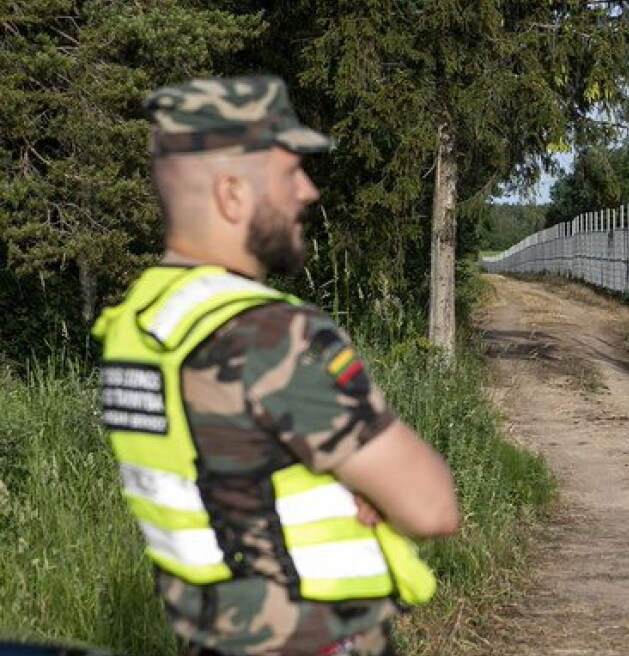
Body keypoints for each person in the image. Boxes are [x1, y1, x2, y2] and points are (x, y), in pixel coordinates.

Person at [90, 76, 460, 656]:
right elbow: (431, 506)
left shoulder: (136, 325)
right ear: (232, 194)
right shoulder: (267, 334)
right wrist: (366, 488)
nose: (308, 191)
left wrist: (348, 484)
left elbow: (232, 474)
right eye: (289, 173)